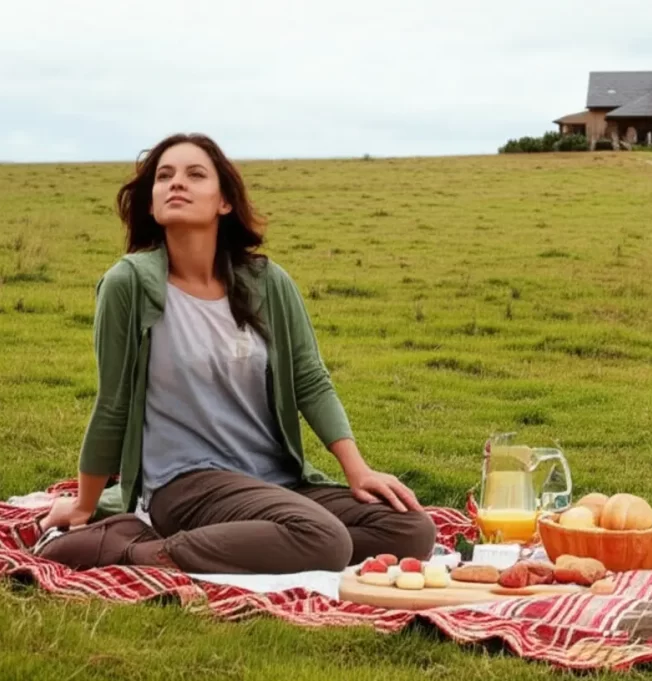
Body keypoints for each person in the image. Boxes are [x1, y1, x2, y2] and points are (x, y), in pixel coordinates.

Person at [35, 133, 436, 574]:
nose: (176, 184)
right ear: (151, 205)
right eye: (164, 176)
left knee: (411, 530)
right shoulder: (127, 286)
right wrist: (83, 505)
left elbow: (310, 379)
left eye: (195, 174)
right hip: (187, 484)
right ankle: (130, 547)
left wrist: (358, 471)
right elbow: (112, 404)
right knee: (322, 538)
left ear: (224, 201)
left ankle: (257, 544)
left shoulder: (268, 282)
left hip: (273, 479)